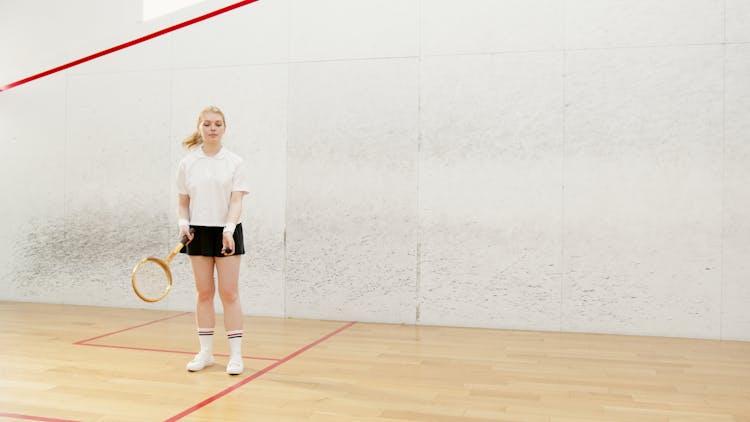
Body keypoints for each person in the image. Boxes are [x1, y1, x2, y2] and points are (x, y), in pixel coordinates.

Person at [175, 106, 249, 375]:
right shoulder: (187, 163)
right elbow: (183, 202)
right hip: (198, 232)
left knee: (229, 293)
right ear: (199, 128)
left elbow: (237, 200)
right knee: (204, 293)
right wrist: (183, 224)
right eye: (207, 124)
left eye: (218, 124)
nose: (213, 128)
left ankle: (236, 356)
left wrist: (229, 229)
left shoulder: (235, 162)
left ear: (224, 128)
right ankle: (205, 353)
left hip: (227, 231)